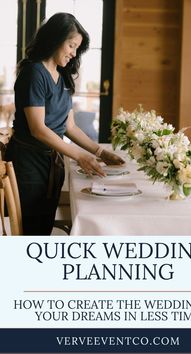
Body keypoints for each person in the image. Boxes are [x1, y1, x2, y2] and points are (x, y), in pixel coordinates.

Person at [5, 12, 124, 236]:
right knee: (31, 233)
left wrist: (100, 152)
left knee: (42, 229)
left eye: (77, 48)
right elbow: (38, 128)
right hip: (28, 165)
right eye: (71, 45)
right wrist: (79, 156)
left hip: (51, 165)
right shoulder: (34, 73)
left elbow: (70, 127)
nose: (73, 53)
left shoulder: (62, 77)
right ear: (55, 39)